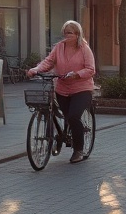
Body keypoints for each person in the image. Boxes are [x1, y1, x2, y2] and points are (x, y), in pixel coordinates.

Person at [27, 20, 96, 164]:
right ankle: (60, 135)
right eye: (65, 33)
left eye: (70, 33)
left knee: (73, 116)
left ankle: (78, 150)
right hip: (62, 89)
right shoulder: (59, 47)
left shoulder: (84, 49)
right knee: (66, 116)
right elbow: (48, 62)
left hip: (81, 89)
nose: (67, 35)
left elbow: (90, 69)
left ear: (77, 34)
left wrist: (77, 74)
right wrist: (36, 69)